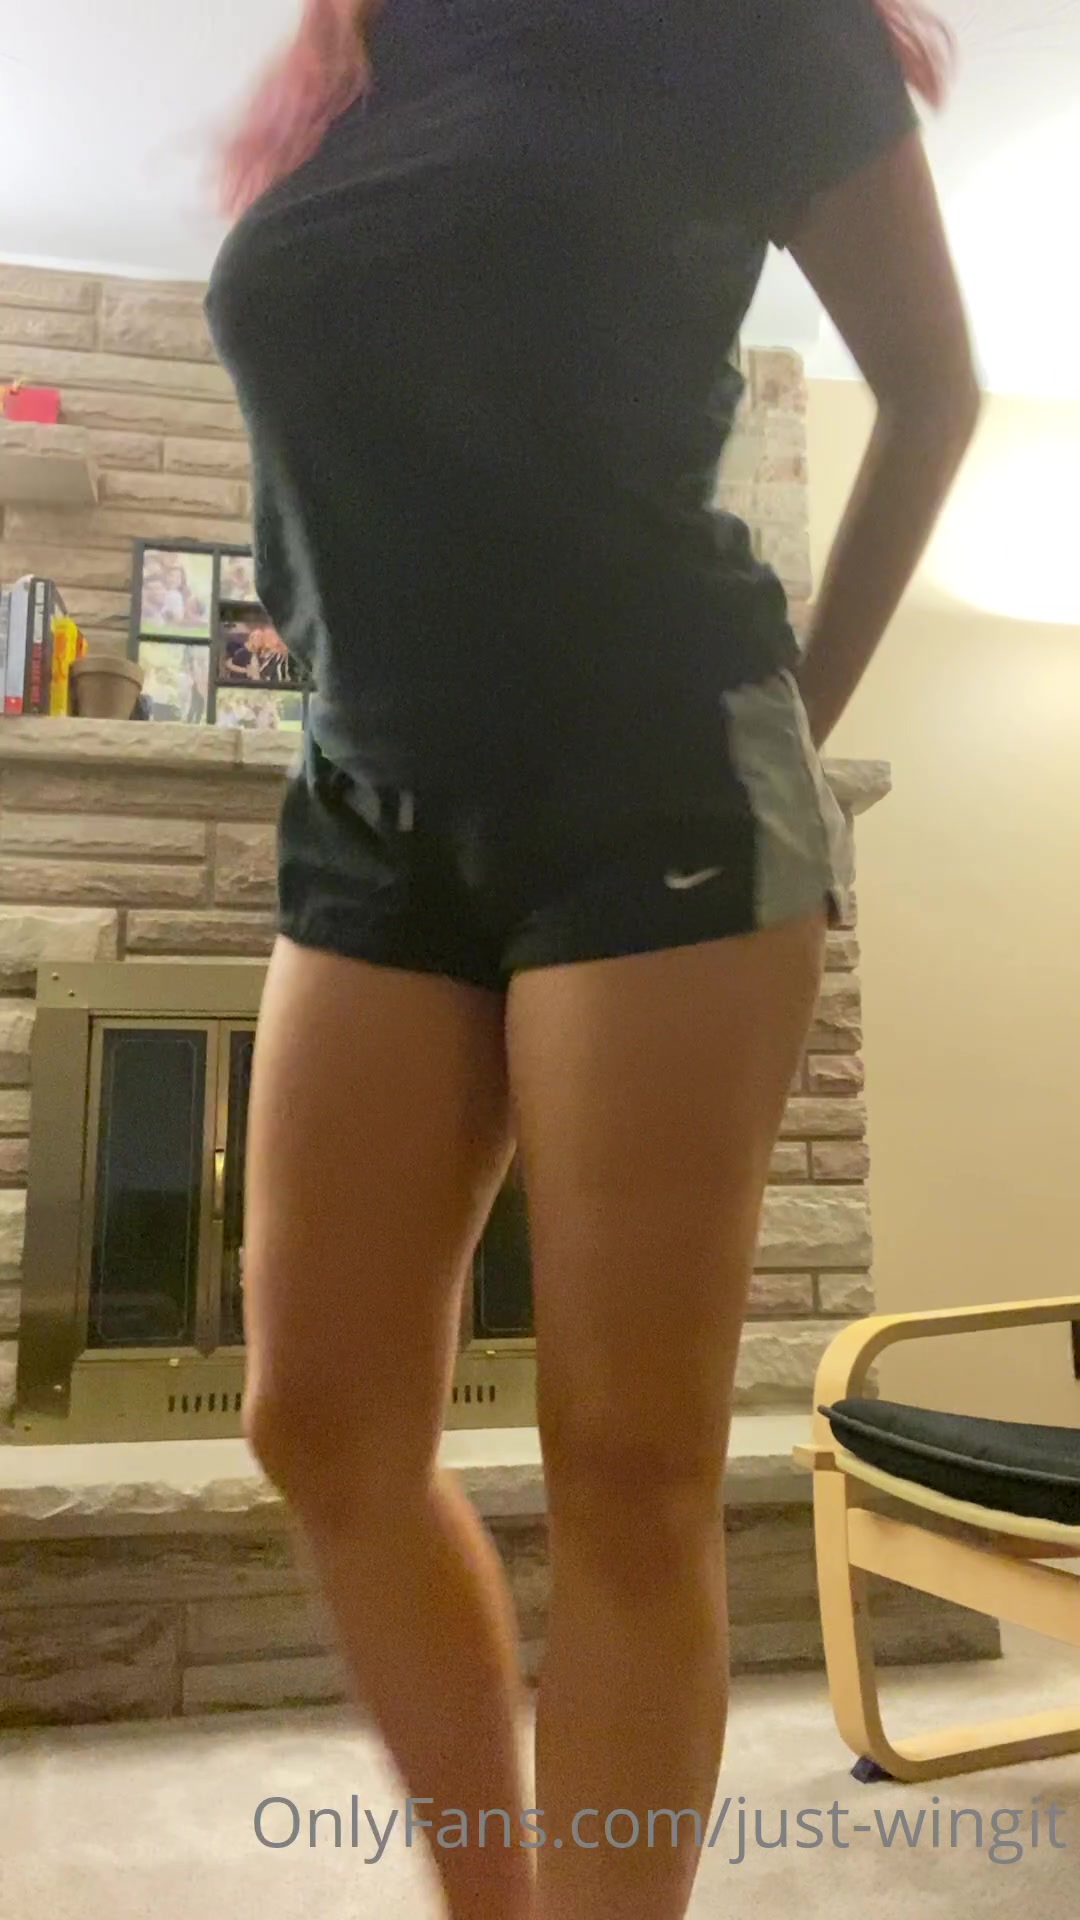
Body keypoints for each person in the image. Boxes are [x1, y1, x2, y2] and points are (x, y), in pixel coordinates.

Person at [207, 4, 979, 1917]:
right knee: (320, 1424)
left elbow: (933, 391)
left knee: (630, 1466)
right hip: (372, 794)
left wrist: (791, 720)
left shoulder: (759, 29)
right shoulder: (363, 53)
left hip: (657, 773)